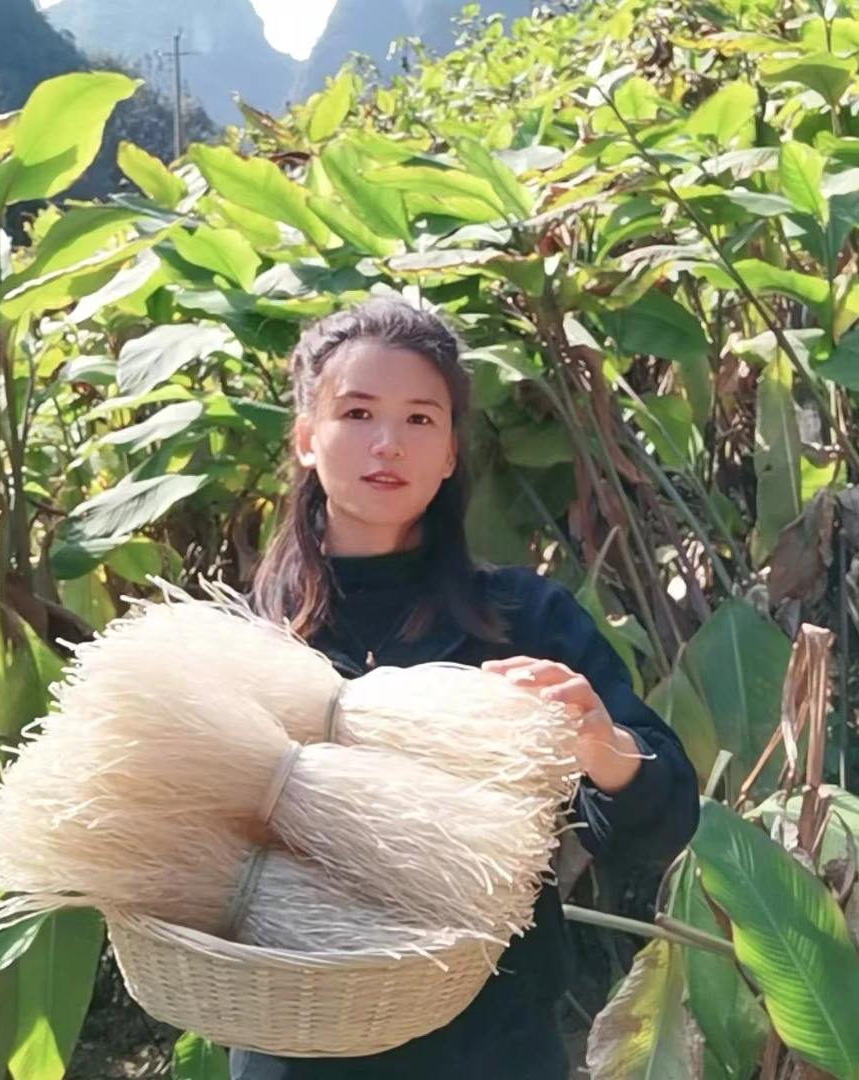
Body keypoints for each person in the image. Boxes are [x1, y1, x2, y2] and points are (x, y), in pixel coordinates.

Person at [233, 297, 700, 1080]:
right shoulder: (243, 639)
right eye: (357, 412)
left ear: (450, 451)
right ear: (308, 439)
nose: (388, 443)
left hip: (490, 1039)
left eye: (421, 419)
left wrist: (601, 745)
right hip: (298, 1038)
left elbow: (660, 824)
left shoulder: (522, 617)